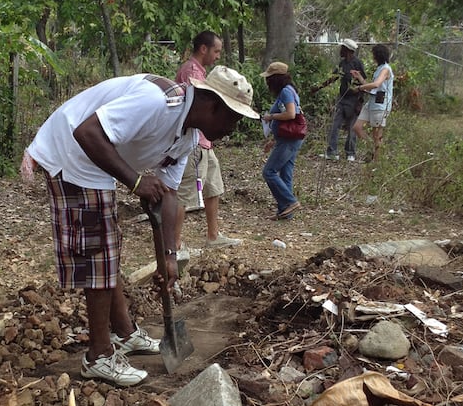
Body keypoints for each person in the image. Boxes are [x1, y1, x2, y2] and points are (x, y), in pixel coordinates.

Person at [23, 67, 258, 386]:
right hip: (71, 152)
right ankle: (99, 355)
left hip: (94, 160)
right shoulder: (157, 103)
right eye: (234, 119)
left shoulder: (186, 136)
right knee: (99, 253)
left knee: (108, 248)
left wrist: (171, 255)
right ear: (213, 105)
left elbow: (170, 197)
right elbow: (87, 133)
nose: (233, 129)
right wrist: (135, 182)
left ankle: (125, 333)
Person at [174, 31, 241, 250]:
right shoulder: (192, 72)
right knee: (184, 193)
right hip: (193, 141)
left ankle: (213, 235)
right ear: (204, 48)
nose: (218, 56)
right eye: (216, 51)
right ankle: (175, 244)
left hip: (205, 141)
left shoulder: (201, 72)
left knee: (213, 185)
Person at [260, 61, 304, 220]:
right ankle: (285, 212)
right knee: (285, 175)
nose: (267, 82)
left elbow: (291, 114)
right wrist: (273, 139)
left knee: (269, 172)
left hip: (289, 140)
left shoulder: (286, 92)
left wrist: (270, 117)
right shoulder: (288, 91)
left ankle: (290, 202)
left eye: (269, 78)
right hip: (287, 138)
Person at [322, 39, 365, 162]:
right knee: (335, 125)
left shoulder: (357, 63)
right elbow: (334, 77)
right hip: (342, 99)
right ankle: (332, 151)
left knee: (352, 127)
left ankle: (350, 153)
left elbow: (363, 83)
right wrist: (319, 87)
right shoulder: (342, 63)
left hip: (354, 100)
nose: (340, 50)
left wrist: (360, 103)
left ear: (347, 51)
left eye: (342, 48)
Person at [351, 44, 394, 163]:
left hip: (380, 105)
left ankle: (377, 162)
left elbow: (376, 84)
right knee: (357, 127)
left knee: (377, 135)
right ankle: (372, 150)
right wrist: (359, 77)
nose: (372, 56)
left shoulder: (385, 69)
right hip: (372, 103)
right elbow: (371, 87)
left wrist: (359, 88)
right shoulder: (379, 69)